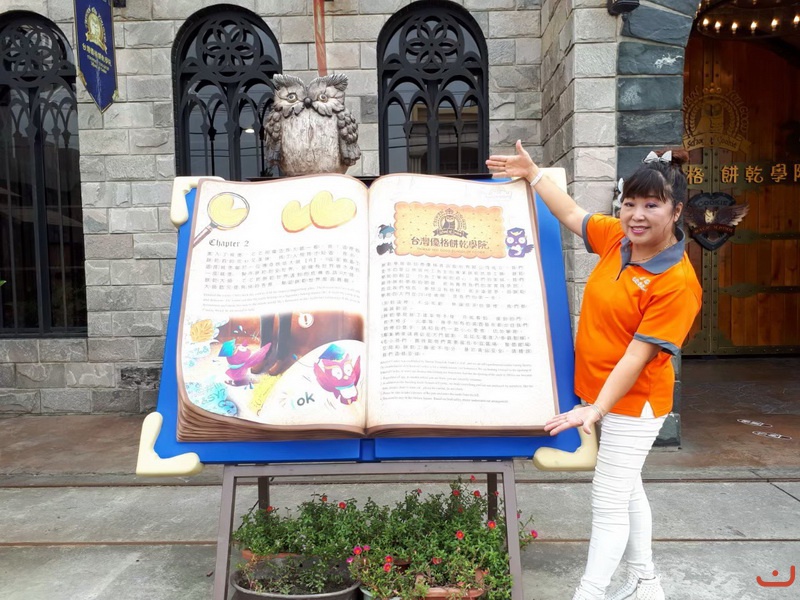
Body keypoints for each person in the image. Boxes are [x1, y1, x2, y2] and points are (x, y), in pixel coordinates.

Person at [486, 142, 702, 600]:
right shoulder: (619, 241)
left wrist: (597, 409)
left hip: (634, 403)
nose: (636, 215)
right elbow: (572, 214)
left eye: (652, 205)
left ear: (677, 211)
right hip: (602, 398)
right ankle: (646, 582)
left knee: (608, 498)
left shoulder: (676, 283)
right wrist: (533, 173)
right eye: (630, 202)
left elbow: (636, 357)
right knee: (628, 488)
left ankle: (591, 592)